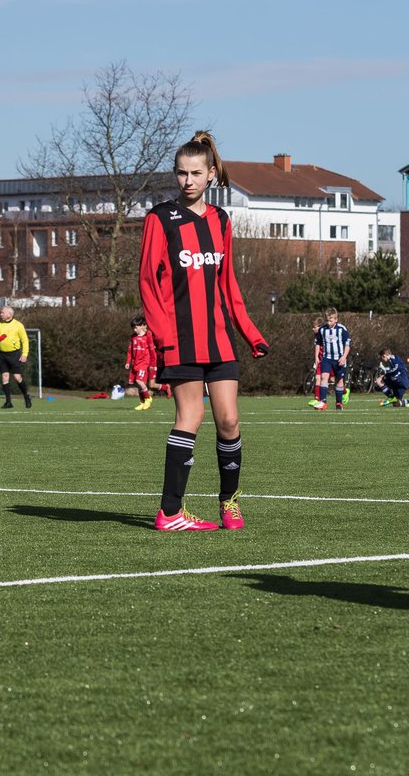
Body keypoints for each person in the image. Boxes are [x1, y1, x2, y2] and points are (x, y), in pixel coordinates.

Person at [139, 131, 269, 531]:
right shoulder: (160, 218)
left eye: (196, 173)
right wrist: (163, 337)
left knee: (229, 421)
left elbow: (228, 284)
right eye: (181, 173)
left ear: (211, 174)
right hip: (180, 340)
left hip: (219, 341)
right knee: (190, 416)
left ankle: (229, 503)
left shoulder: (221, 221)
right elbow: (147, 282)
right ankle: (171, 512)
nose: (188, 181)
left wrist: (250, 333)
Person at [0, 305, 32, 409]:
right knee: (5, 377)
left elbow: (25, 340)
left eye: (2, 312)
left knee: (17, 377)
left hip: (14, 354)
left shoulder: (18, 325)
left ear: (9, 314)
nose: (0, 314)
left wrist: (24, 354)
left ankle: (26, 397)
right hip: (1, 355)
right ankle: (8, 402)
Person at [311, 308, 350, 411]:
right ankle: (323, 402)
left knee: (339, 380)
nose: (329, 322)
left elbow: (347, 344)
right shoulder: (322, 330)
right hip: (326, 358)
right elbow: (318, 343)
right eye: (327, 320)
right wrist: (316, 357)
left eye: (331, 320)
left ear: (336, 319)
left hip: (339, 359)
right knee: (324, 378)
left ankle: (339, 403)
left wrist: (344, 357)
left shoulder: (341, 329)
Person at [125, 315, 158, 411]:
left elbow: (152, 350)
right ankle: (142, 402)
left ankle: (148, 398)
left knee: (139, 381)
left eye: (136, 327)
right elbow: (130, 351)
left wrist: (153, 363)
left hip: (144, 363)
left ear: (141, 326)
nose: (134, 329)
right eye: (133, 328)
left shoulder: (148, 336)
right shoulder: (133, 337)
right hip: (135, 363)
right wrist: (128, 362)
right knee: (139, 383)